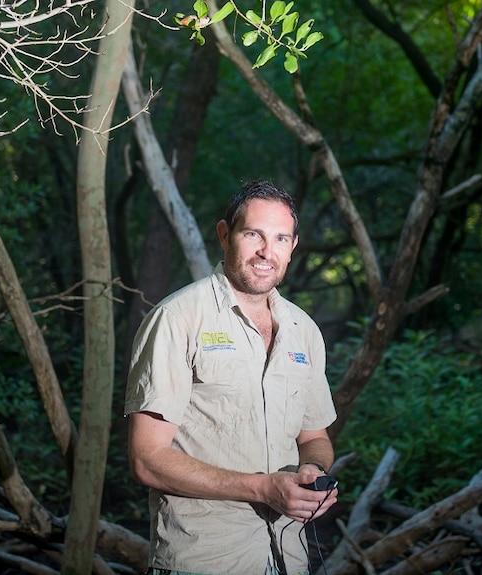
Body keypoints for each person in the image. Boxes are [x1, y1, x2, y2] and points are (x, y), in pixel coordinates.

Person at [125, 179, 339, 575]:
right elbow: (147, 459)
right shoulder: (178, 319)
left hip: (288, 559)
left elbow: (315, 438)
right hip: (205, 561)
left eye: (279, 238)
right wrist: (261, 487)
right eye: (253, 234)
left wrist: (314, 473)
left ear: (293, 247)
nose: (265, 251)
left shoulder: (303, 329)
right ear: (225, 235)